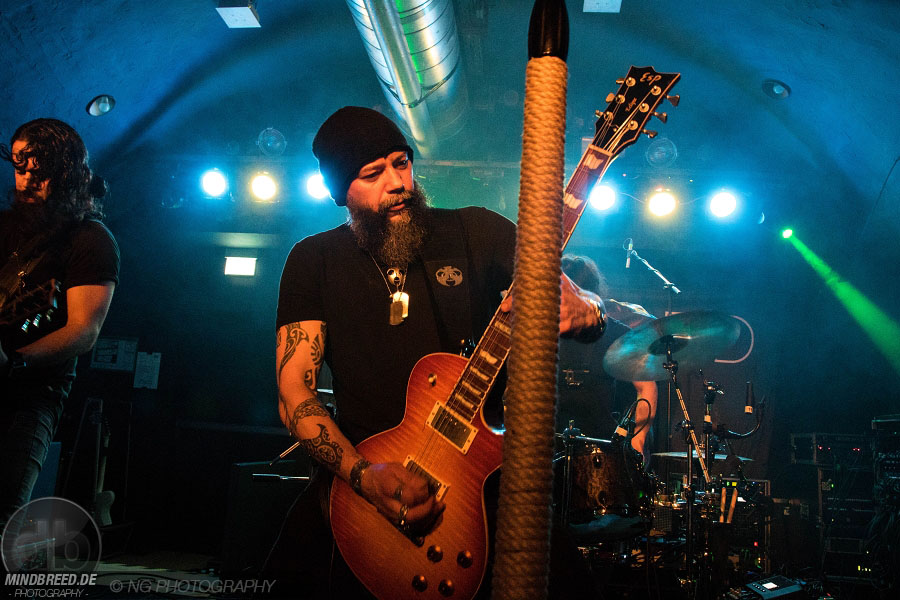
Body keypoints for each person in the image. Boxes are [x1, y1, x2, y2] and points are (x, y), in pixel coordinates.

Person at [268, 106, 606, 598]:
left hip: (483, 487)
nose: (396, 183)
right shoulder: (313, 260)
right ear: (340, 191)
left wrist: (589, 311)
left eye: (401, 163)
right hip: (360, 490)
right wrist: (363, 476)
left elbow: (580, 301)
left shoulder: (477, 231)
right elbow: (294, 392)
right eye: (373, 173)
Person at [0, 118, 119, 536]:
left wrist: (15, 361)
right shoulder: (3, 228)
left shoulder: (91, 239)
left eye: (39, 169)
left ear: (66, 172)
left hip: (31, 397)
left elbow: (84, 330)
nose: (27, 179)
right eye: (20, 166)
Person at [557, 254, 658, 462]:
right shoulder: (542, 331)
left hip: (600, 451)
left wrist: (638, 440)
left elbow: (647, 387)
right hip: (545, 447)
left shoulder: (616, 334)